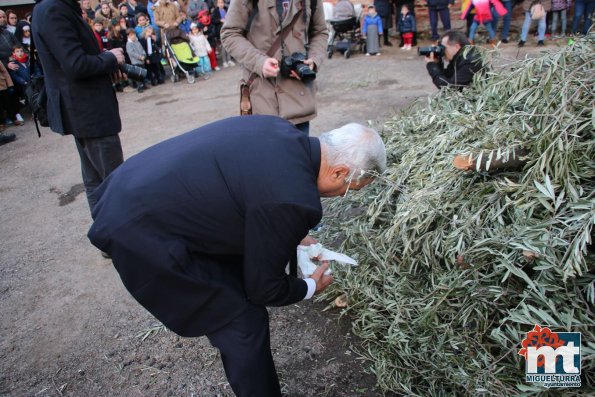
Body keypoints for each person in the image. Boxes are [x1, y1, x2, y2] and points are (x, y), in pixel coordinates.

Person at [87, 115, 387, 396]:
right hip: (140, 231)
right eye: (350, 189)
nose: (343, 195)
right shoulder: (294, 200)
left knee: (234, 272)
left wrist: (291, 233)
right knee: (241, 319)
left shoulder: (278, 130)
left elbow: (251, 194)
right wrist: (309, 288)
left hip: (126, 185)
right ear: (339, 172)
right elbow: (264, 288)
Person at [32, 0, 126, 219]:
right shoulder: (53, 9)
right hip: (88, 112)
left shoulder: (51, 8)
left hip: (83, 111)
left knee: (96, 181)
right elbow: (75, 64)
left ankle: (109, 238)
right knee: (114, 182)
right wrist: (110, 58)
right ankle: (124, 241)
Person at [220, 0, 328, 134]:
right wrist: (259, 62)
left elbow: (320, 32)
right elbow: (229, 34)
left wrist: (314, 60)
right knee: (267, 153)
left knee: (299, 154)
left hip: (299, 101)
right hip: (263, 98)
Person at [125, 28, 148, 93]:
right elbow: (131, 53)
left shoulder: (137, 41)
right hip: (135, 62)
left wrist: (144, 55)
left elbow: (142, 49)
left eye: (134, 34)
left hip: (142, 60)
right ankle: (139, 87)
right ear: (128, 36)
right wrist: (139, 57)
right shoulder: (129, 44)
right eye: (131, 35)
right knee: (138, 75)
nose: (133, 36)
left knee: (143, 73)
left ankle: (144, 84)